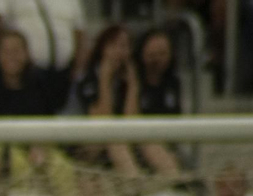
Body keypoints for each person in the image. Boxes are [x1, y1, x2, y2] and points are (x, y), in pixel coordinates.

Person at [74, 25, 179, 179]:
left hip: (121, 139)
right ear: (103, 48)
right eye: (114, 46)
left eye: (124, 46)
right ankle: (134, 191)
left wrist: (133, 86)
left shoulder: (130, 80)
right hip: (89, 143)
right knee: (116, 142)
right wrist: (105, 80)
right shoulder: (88, 80)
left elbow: (133, 123)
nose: (120, 52)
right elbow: (102, 120)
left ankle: (174, 184)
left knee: (150, 143)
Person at [0, 0, 84, 103]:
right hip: (23, 77)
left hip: (63, 74)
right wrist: (10, 55)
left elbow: (79, 30)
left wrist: (77, 67)